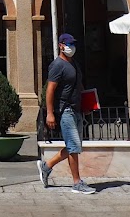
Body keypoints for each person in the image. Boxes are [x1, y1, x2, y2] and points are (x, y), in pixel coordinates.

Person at [37, 33, 96, 194]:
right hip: (65, 110)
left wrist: (87, 103)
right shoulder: (57, 65)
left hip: (76, 109)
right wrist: (50, 113)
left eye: (73, 43)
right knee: (74, 146)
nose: (72, 47)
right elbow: (50, 90)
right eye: (69, 44)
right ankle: (77, 182)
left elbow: (79, 85)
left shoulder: (74, 64)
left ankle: (46, 166)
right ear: (61, 45)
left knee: (74, 146)